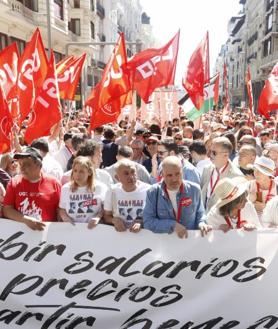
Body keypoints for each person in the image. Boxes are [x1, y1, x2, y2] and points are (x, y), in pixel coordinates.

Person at [143, 156, 211, 238]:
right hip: (164, 243)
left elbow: (200, 213)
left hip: (190, 242)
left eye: (177, 174)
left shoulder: (194, 189)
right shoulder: (153, 192)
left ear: (182, 172)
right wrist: (172, 225)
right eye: (169, 175)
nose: (174, 179)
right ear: (162, 175)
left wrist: (202, 223)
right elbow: (148, 222)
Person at [3, 147, 61, 230]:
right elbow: (7, 209)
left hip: (47, 237)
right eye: (21, 164)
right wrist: (26, 220)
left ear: (38, 165)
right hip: (20, 236)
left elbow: (60, 211)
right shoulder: (14, 183)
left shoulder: (54, 183)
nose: (22, 168)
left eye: (27, 164)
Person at [59, 156, 107, 228]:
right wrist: (65, 218)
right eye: (75, 171)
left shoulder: (100, 187)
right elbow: (62, 209)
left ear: (89, 172)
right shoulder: (65, 188)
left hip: (94, 229)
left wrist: (98, 217)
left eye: (81, 171)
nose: (77, 174)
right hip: (72, 230)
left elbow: (106, 208)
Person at [103, 159, 149, 233]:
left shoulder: (148, 190)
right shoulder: (112, 191)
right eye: (126, 173)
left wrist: (141, 222)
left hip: (142, 236)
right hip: (120, 237)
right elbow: (106, 216)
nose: (131, 176)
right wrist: (114, 220)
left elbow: (155, 216)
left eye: (133, 172)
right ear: (117, 178)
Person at [201, 137, 243, 212]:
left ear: (225, 155)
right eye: (210, 151)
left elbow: (235, 206)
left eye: (214, 152)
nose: (210, 155)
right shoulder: (207, 169)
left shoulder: (236, 176)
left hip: (220, 219)